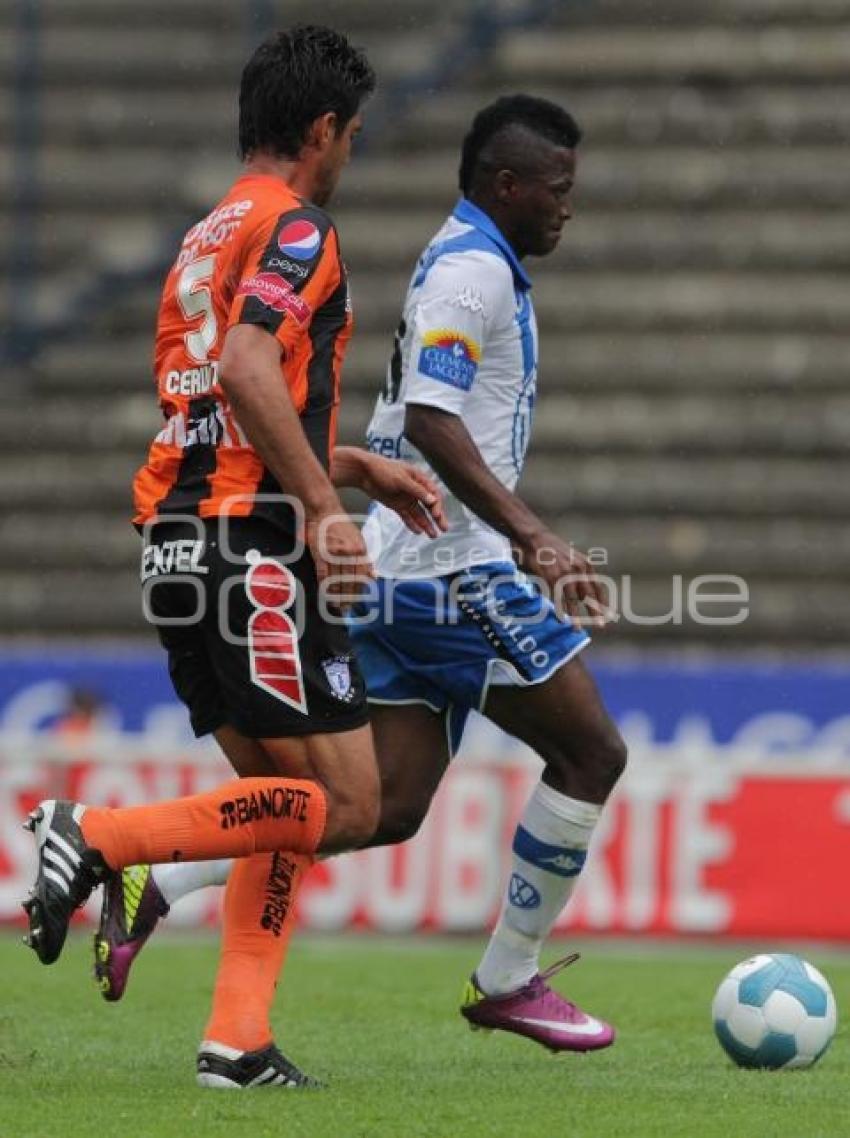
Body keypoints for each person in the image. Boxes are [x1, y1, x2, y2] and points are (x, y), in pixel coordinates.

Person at [85, 94, 628, 1057]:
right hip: (448, 567)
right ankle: (507, 977)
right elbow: (428, 417)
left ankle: (160, 879)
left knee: (376, 807)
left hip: (402, 558)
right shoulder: (471, 274)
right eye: (558, 189)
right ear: (509, 186)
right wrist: (533, 538)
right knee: (591, 753)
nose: (566, 207)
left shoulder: (473, 259)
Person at [22, 25, 447, 1090]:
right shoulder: (300, 229)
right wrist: (322, 506)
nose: (349, 153)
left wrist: (343, 462)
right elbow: (253, 363)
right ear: (321, 130)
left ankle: (236, 1040)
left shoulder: (207, 232)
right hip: (250, 552)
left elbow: (221, 401)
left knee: (279, 800)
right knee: (343, 805)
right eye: (348, 135)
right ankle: (104, 837)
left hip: (181, 543)